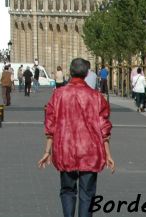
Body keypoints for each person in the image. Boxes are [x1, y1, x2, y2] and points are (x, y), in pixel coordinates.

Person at [38, 58, 115, 217]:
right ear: (87, 73)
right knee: (87, 194)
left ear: (70, 72)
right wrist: (108, 154)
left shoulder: (58, 95)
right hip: (90, 150)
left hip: (66, 149)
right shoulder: (96, 96)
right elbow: (103, 127)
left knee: (67, 190)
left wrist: (47, 151)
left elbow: (50, 124)